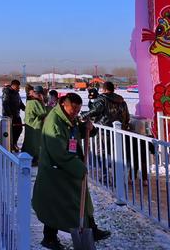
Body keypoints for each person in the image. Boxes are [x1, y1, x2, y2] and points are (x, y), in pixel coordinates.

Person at [32, 93, 110, 250]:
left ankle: (91, 230)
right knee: (54, 205)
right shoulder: (54, 122)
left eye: (78, 109)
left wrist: (89, 129)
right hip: (56, 171)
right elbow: (58, 152)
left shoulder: (66, 117)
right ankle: (49, 238)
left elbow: (74, 132)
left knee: (83, 200)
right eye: (73, 108)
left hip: (69, 167)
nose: (75, 112)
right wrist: (79, 167)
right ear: (63, 104)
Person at [22, 85, 47, 165]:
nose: (40, 96)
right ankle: (34, 159)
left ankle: (28, 158)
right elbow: (43, 112)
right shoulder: (35, 102)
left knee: (29, 143)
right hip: (35, 126)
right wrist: (42, 101)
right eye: (39, 94)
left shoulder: (30, 101)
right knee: (35, 144)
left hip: (30, 125)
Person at [2, 80, 25, 151]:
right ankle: (10, 145)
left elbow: (20, 103)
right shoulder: (7, 92)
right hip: (9, 116)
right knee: (11, 131)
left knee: (19, 129)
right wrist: (9, 114)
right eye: (18, 87)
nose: (19, 88)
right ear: (13, 86)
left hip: (16, 115)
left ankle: (14, 143)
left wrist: (25, 108)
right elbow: (5, 104)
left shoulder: (17, 93)